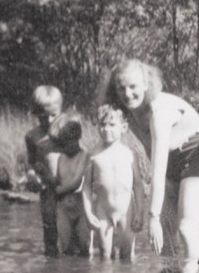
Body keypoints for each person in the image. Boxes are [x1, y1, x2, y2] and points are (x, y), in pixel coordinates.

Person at [102, 60, 199, 273]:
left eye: (133, 87)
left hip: (198, 151)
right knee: (166, 230)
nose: (127, 94)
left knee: (186, 227)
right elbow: (152, 152)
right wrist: (159, 212)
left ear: (146, 84)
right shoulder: (128, 112)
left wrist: (152, 215)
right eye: (121, 88)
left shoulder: (159, 111)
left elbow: (157, 169)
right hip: (172, 159)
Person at [82, 104, 144, 260]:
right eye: (102, 125)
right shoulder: (93, 155)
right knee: (105, 254)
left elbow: (138, 185)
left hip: (126, 211)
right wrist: (88, 213)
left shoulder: (130, 154)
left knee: (127, 255)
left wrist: (140, 212)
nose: (106, 129)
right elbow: (86, 187)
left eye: (112, 125)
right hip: (103, 211)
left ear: (123, 127)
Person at [24, 85, 63, 257]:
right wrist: (32, 174)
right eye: (43, 116)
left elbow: (78, 155)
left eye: (54, 115)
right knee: (50, 230)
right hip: (47, 190)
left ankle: (75, 263)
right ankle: (52, 262)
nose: (49, 120)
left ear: (61, 111)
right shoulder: (32, 136)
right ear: (35, 113)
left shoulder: (66, 132)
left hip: (68, 187)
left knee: (73, 228)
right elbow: (31, 161)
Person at [48, 111, 90, 256]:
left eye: (66, 143)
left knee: (84, 246)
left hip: (81, 208)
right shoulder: (61, 158)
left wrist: (56, 191)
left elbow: (76, 183)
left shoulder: (84, 156)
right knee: (66, 248)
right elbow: (57, 180)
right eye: (61, 144)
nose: (63, 148)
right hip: (64, 208)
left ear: (77, 138)